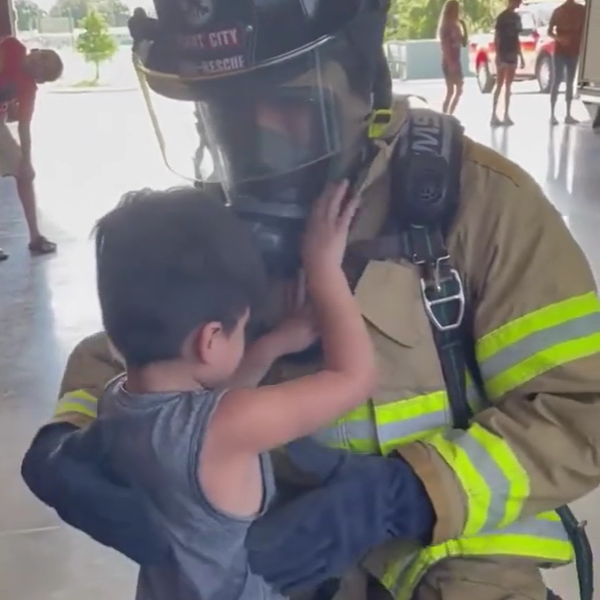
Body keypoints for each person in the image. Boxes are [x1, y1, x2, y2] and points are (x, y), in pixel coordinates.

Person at [21, 1, 600, 600]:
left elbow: (581, 411)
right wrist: (65, 443)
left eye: (287, 103)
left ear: (359, 77)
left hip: (451, 550)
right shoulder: (209, 216)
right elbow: (141, 349)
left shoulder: (479, 206)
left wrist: (407, 491)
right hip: (272, 556)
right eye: (228, 111)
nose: (256, 135)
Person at [83, 184, 375, 600]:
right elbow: (355, 378)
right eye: (243, 325)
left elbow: (206, 408)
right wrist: (323, 266)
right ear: (211, 338)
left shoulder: (117, 401)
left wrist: (272, 345)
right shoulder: (225, 426)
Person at [0, 36, 63, 262]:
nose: (39, 62)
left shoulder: (28, 89)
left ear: (40, 80)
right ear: (36, 50)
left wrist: (27, 161)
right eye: (43, 57)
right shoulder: (13, 48)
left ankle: (35, 236)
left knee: (24, 174)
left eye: (44, 69)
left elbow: (24, 127)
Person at [548, 0, 586, 125]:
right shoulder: (559, 11)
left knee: (569, 81)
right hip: (560, 51)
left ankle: (568, 114)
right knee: (557, 80)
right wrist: (559, 38)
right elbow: (549, 31)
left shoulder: (581, 10)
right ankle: (553, 114)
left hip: (573, 51)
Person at [491, 0, 525, 126]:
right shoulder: (502, 18)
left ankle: (506, 114)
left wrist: (520, 55)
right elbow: (497, 37)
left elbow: (516, 38)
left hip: (512, 53)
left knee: (508, 85)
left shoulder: (516, 18)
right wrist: (498, 55)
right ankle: (494, 114)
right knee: (499, 84)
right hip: (504, 53)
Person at [437, 0, 467, 115]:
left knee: (459, 90)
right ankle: (445, 114)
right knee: (451, 91)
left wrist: (463, 26)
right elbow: (445, 47)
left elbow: (463, 43)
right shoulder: (445, 27)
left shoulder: (456, 26)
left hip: (456, 60)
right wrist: (450, 65)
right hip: (449, 61)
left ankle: (450, 113)